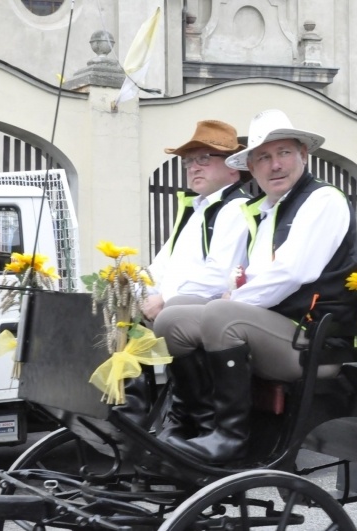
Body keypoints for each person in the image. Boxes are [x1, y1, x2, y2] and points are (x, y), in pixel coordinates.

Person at [153, 109, 357, 463]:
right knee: (172, 315)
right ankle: (192, 424)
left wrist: (232, 299)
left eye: (283, 153)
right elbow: (252, 277)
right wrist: (231, 296)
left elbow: (291, 273)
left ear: (303, 156)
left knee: (222, 313)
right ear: (251, 166)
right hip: (275, 330)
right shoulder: (265, 211)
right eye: (263, 157)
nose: (274, 165)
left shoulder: (323, 200)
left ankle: (230, 438)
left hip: (313, 343)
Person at [118, 120, 250, 437]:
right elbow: (162, 267)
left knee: (170, 319)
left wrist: (163, 299)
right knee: (117, 314)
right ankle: (130, 415)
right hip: (180, 306)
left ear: (233, 168)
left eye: (204, 158)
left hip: (209, 312)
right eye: (189, 161)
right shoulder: (196, 211)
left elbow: (219, 273)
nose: (193, 167)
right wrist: (130, 290)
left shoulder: (236, 208)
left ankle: (195, 421)